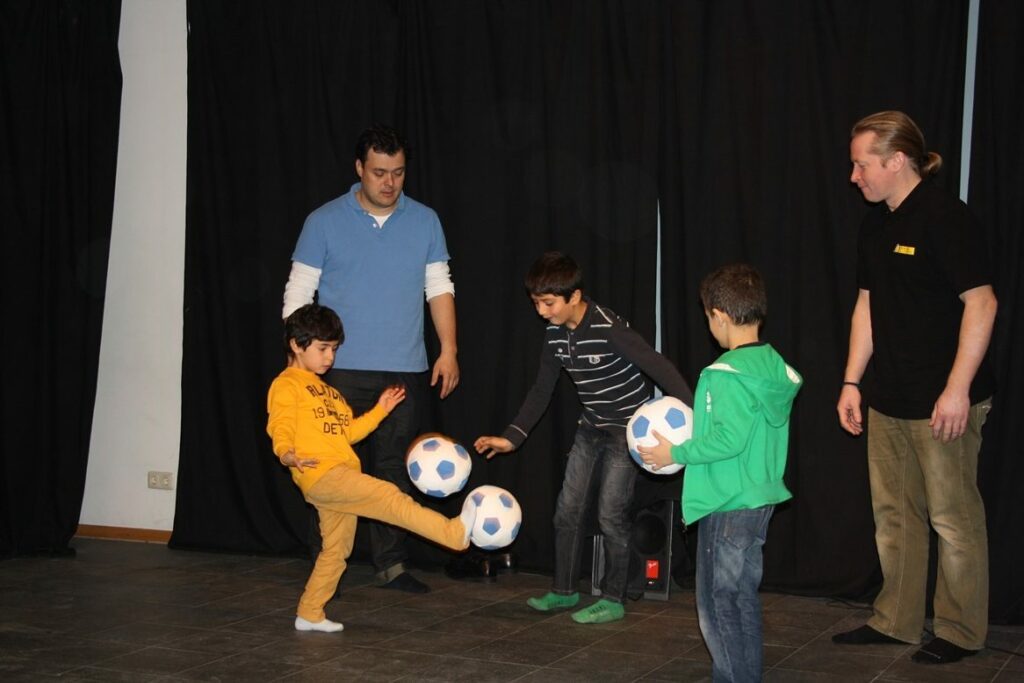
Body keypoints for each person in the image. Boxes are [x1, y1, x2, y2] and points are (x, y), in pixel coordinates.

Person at [832, 111, 997, 664]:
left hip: (942, 400)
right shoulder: (875, 224)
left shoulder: (947, 218)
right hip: (888, 395)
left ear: (896, 160)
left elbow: (982, 302)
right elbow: (866, 306)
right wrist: (852, 381)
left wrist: (957, 390)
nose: (855, 176)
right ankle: (896, 619)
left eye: (861, 164)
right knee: (895, 515)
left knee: (953, 517)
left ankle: (959, 631)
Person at [282, 124, 458, 593]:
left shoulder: (425, 221)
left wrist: (449, 349)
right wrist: (299, 354)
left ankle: (392, 564)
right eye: (379, 172)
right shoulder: (323, 220)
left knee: (392, 468)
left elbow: (438, 287)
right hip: (335, 369)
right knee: (328, 467)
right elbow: (300, 290)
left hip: (404, 366)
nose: (389, 183)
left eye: (398, 173)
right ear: (359, 169)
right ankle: (326, 564)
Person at [474, 252, 693, 624]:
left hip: (627, 433)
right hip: (590, 428)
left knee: (611, 514)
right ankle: (563, 590)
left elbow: (659, 366)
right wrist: (512, 438)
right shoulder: (555, 334)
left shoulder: (608, 327)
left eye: (548, 303)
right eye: (536, 304)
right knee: (567, 510)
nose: (542, 312)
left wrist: (693, 415)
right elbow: (541, 389)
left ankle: (613, 596)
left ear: (573, 296)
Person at [639, 263, 802, 683]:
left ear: (720, 316)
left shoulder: (722, 375)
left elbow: (727, 440)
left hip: (726, 503)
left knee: (716, 602)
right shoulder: (774, 367)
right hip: (759, 500)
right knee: (742, 596)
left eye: (708, 316)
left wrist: (674, 449)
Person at [266, 304, 475, 632]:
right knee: (389, 497)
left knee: (336, 550)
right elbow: (279, 425)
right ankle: (454, 534)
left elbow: (349, 433)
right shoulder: (287, 385)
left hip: (337, 477)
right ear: (295, 344)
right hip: (324, 474)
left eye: (333, 349)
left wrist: (380, 410)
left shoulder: (331, 394)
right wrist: (287, 454)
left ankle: (309, 611)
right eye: (322, 349)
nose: (329, 358)